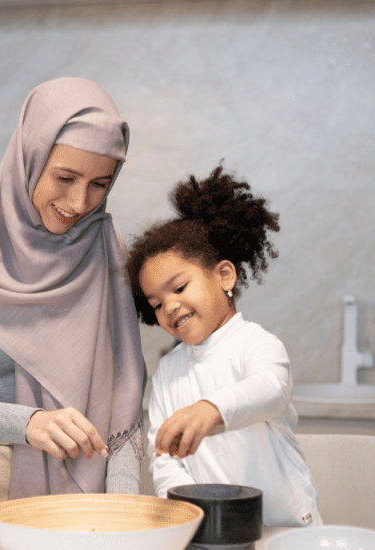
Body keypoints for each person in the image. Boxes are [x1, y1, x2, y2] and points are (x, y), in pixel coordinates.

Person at [0, 77, 146, 507]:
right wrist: (30, 423)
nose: (78, 202)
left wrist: (121, 507)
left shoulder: (104, 251)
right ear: (28, 158)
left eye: (100, 184)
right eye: (65, 177)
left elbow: (124, 400)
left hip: (86, 497)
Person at [124, 164, 321, 527]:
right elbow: (164, 459)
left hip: (286, 530)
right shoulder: (168, 371)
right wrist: (192, 511)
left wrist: (211, 409)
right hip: (211, 530)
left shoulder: (257, 344)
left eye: (179, 288)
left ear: (224, 275)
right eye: (156, 303)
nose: (169, 307)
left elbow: (270, 390)